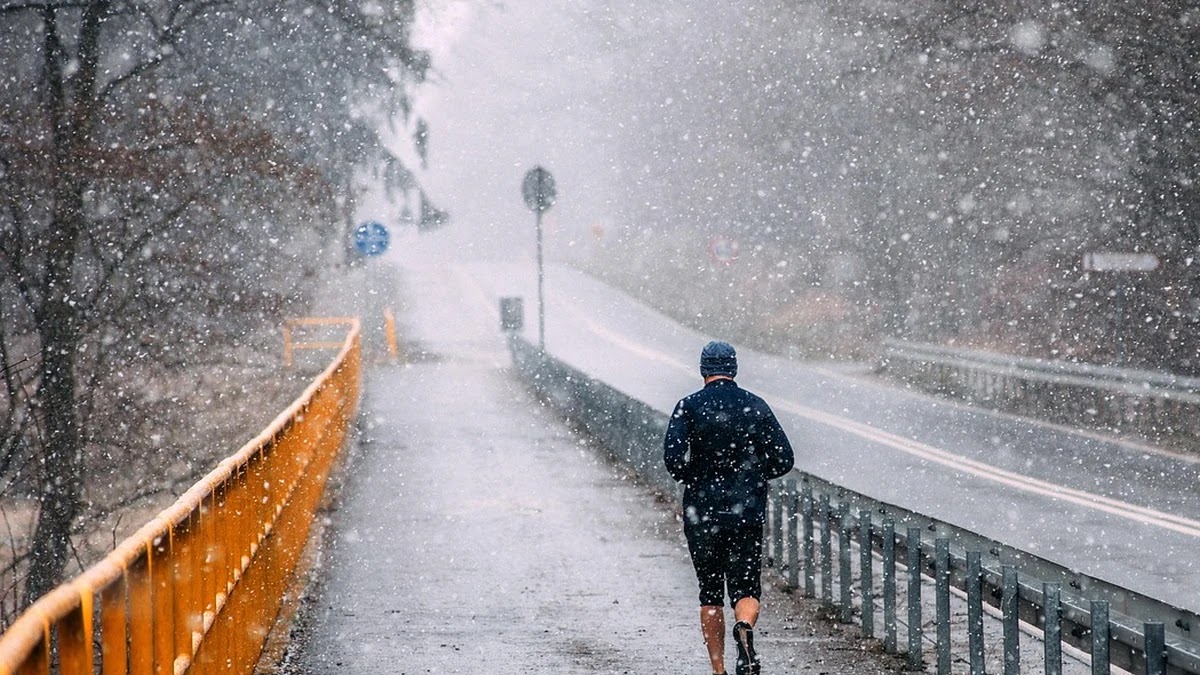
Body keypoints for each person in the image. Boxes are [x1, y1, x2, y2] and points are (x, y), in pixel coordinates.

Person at [664, 340, 795, 675]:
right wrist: (753, 476)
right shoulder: (755, 406)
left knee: (709, 593)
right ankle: (745, 629)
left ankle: (719, 669)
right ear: (733, 369)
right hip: (746, 512)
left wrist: (698, 477)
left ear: (703, 369)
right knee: (746, 587)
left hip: (702, 514)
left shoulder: (688, 407)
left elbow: (674, 461)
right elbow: (785, 459)